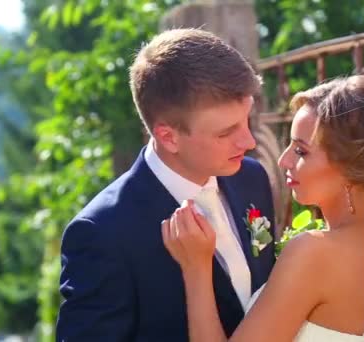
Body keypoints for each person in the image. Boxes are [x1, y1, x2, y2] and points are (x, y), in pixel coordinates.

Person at [163, 75, 364, 341]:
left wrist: (196, 269)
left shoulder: (313, 255)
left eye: (301, 151)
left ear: (350, 165)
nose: (283, 160)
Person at [56, 28, 276, 341]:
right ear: (168, 136)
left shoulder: (252, 178)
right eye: (226, 133)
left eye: (247, 122)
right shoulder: (102, 232)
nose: (250, 140)